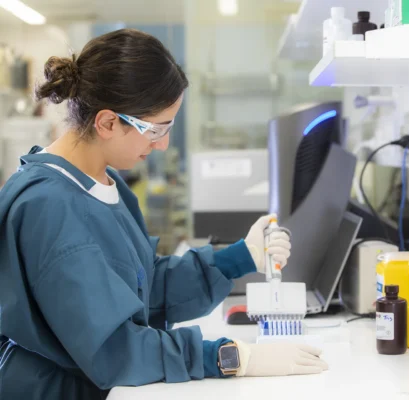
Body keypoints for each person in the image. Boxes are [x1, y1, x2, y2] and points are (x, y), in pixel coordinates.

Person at [0, 29, 327, 400]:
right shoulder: (50, 207)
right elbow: (114, 350)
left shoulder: (104, 182)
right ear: (107, 122)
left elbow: (144, 288)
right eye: (156, 128)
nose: (164, 143)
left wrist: (241, 257)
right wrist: (231, 357)